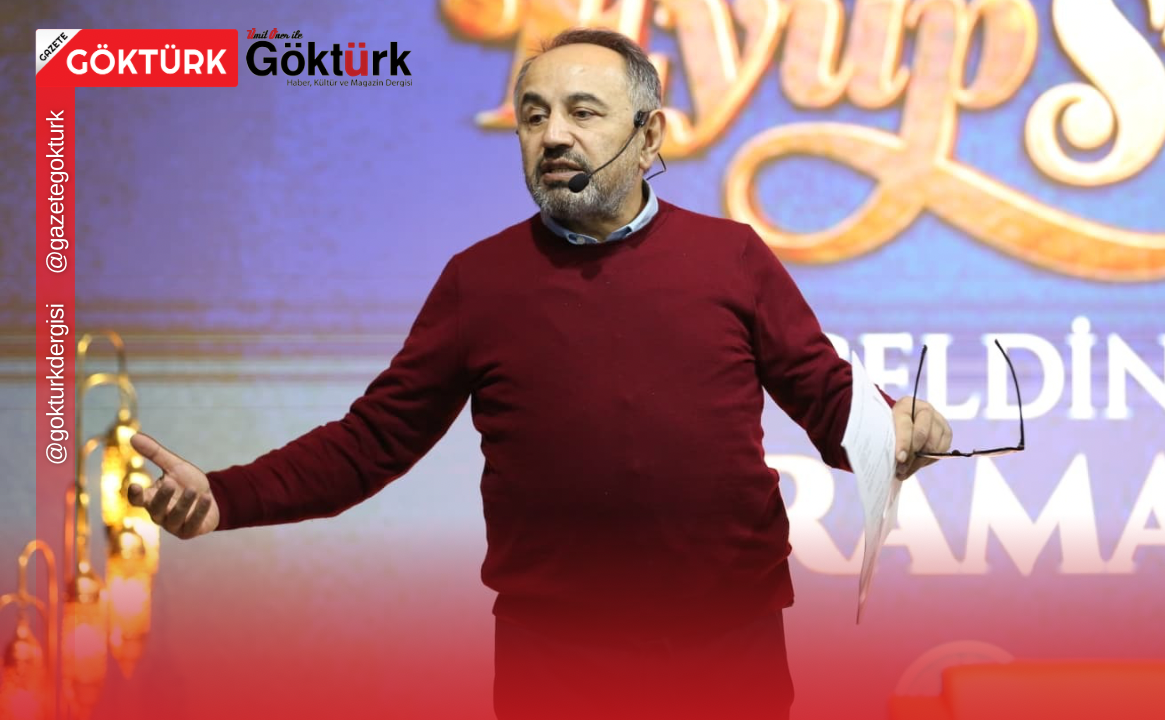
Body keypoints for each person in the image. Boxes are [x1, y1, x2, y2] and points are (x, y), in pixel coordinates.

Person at [126, 27, 953, 720]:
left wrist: (894, 425)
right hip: (554, 661)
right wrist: (226, 497)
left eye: (582, 112)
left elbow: (830, 402)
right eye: (533, 115)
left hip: (728, 648)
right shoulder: (477, 282)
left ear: (649, 136)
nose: (552, 135)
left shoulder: (731, 257)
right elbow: (371, 443)